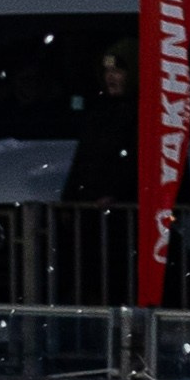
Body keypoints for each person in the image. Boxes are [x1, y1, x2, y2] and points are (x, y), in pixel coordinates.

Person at [60, 37, 137, 304]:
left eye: (118, 70)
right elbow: (84, 159)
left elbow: (136, 163)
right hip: (92, 217)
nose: (111, 77)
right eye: (107, 71)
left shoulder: (142, 114)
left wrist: (117, 194)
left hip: (121, 222)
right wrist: (69, 200)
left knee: (116, 282)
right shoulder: (100, 112)